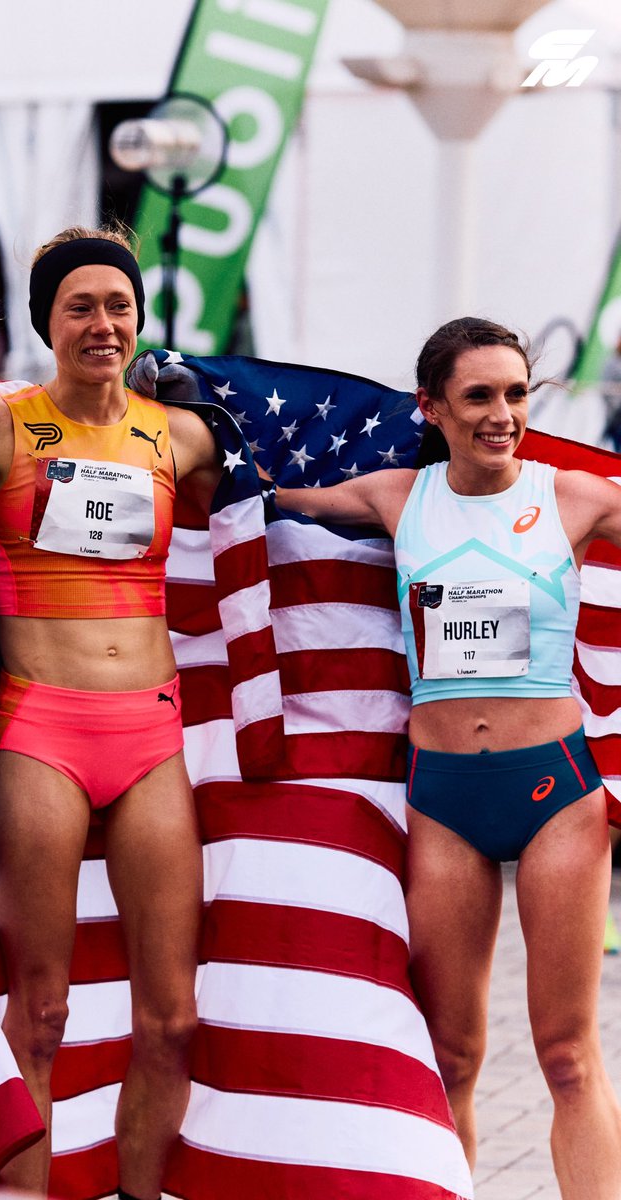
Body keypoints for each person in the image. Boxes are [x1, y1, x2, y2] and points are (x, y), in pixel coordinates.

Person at [274, 317, 621, 1199]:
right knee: (453, 1052)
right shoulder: (399, 497)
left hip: (555, 792)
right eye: (479, 396)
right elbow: (263, 496)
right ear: (431, 408)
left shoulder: (575, 497)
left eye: (515, 393)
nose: (502, 414)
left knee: (568, 1054)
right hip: (443, 801)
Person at [0, 225, 220, 1200]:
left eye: (117, 305)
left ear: (139, 318)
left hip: (151, 736)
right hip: (41, 730)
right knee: (39, 1014)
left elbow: (279, 498)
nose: (102, 323)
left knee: (171, 1017)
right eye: (80, 307)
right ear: (49, 322)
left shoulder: (176, 435)